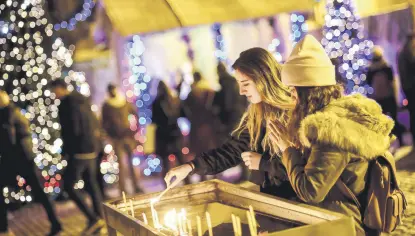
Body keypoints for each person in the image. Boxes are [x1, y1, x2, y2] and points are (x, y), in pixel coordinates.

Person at [270, 35, 393, 236]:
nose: (291, 97)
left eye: (293, 91)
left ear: (308, 93)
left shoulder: (332, 130)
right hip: (338, 218)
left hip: (343, 225)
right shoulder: (334, 117)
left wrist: (287, 149)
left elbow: (311, 191)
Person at [164, 48, 297, 199]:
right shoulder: (257, 113)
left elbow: (307, 169)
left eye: (245, 84)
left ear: (263, 79)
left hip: (299, 205)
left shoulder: (295, 113)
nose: (241, 91)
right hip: (273, 200)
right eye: (239, 84)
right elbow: (233, 151)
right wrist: (191, 167)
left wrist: (263, 164)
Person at [0, 90, 62, 236]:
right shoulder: (14, 111)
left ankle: (3, 229)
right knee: (39, 192)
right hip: (25, 157)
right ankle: (55, 223)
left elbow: (10, 137)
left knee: (38, 192)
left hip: (16, 158)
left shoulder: (6, 113)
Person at [49, 80, 105, 234]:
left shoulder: (66, 104)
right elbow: (94, 122)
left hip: (78, 151)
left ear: (60, 89)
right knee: (91, 184)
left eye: (54, 91)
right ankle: (99, 218)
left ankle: (93, 218)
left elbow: (71, 129)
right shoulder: (83, 100)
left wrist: (67, 151)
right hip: (92, 149)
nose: (54, 94)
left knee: (68, 185)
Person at [102, 84, 141, 194]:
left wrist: (134, 130)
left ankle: (136, 186)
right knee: (121, 165)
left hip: (128, 136)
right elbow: (104, 123)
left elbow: (135, 114)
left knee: (131, 163)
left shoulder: (124, 102)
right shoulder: (107, 105)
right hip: (116, 138)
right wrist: (110, 134)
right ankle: (123, 189)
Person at [152, 81, 188, 185]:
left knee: (165, 164)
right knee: (181, 161)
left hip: (163, 135)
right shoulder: (173, 100)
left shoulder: (156, 102)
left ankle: (167, 185)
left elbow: (154, 120)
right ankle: (187, 182)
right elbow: (183, 113)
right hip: (174, 133)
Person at [367, 46, 404, 145]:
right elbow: (392, 82)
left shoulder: (371, 70)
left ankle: (387, 143)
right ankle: (399, 141)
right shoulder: (386, 67)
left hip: (380, 98)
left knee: (383, 123)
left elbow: (369, 83)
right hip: (388, 97)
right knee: (393, 121)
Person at [398, 33, 415, 144]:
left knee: (412, 114)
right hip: (412, 88)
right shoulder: (408, 54)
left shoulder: (401, 53)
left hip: (408, 88)